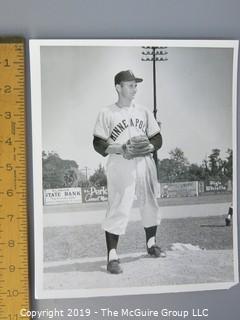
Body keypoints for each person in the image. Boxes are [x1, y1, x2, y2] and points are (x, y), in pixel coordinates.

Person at [93, 70, 166, 274]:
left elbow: (157, 139)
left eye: (136, 85)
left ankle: (151, 244)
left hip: (144, 161)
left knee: (150, 201)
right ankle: (112, 256)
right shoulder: (106, 112)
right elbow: (98, 143)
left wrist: (149, 147)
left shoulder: (143, 111)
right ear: (118, 87)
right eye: (130, 85)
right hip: (120, 162)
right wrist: (120, 148)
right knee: (119, 204)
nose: (135, 88)